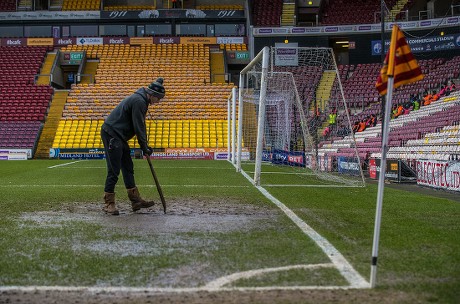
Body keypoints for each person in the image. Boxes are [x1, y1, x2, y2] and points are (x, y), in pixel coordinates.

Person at [101, 78, 166, 215]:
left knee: (128, 167)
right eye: (158, 99)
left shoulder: (142, 99)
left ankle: (136, 201)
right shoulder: (139, 101)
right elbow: (138, 126)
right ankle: (109, 203)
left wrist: (145, 145)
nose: (158, 102)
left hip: (120, 136)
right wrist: (144, 146)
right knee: (114, 170)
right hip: (112, 133)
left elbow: (139, 125)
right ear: (153, 95)